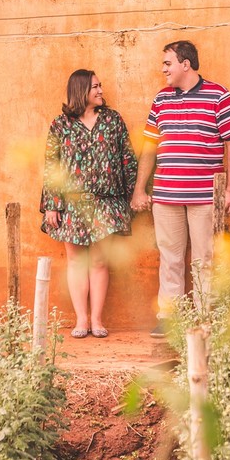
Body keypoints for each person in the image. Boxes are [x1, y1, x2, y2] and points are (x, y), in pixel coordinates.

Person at [131, 40, 230, 337]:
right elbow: (150, 147)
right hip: (166, 195)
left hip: (205, 195)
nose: (163, 69)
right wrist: (140, 189)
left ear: (185, 64)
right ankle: (171, 318)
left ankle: (205, 317)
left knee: (205, 257)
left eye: (168, 63)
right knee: (170, 257)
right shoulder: (161, 99)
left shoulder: (219, 95)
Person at [40, 69, 138, 339]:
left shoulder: (112, 120)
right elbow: (52, 166)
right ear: (81, 90)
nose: (100, 90)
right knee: (75, 262)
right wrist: (51, 204)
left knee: (98, 261)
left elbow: (127, 158)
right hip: (71, 204)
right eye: (95, 86)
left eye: (100, 85)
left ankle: (97, 319)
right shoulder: (60, 125)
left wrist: (131, 196)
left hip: (106, 202)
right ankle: (81, 319)